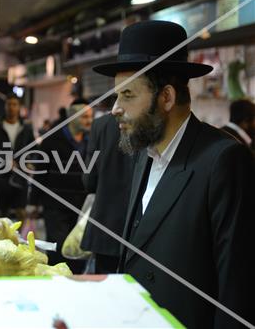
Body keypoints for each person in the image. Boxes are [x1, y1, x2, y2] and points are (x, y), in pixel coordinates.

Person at [92, 20, 254, 328]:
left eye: (127, 95)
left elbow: (238, 287)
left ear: (166, 98)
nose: (114, 108)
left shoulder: (223, 160)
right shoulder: (143, 155)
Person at [34, 99, 93, 274]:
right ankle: (55, 283)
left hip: (81, 206)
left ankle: (76, 283)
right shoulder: (52, 140)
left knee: (79, 249)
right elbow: (40, 172)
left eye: (90, 116)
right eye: (84, 117)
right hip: (56, 205)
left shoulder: (92, 140)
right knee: (58, 249)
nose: (89, 121)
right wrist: (33, 201)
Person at [80, 112, 135, 274]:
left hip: (105, 220)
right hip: (138, 224)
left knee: (105, 285)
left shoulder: (100, 125)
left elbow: (89, 180)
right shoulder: (148, 122)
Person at [0, 93, 35, 217]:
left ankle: (18, 236)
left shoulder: (26, 128)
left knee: (21, 212)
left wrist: (30, 162)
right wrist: (5, 161)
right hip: (1, 177)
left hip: (20, 176)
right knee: (0, 213)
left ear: (19, 107)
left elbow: (33, 149)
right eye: (9, 104)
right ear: (5, 106)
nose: (11, 107)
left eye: (14, 104)